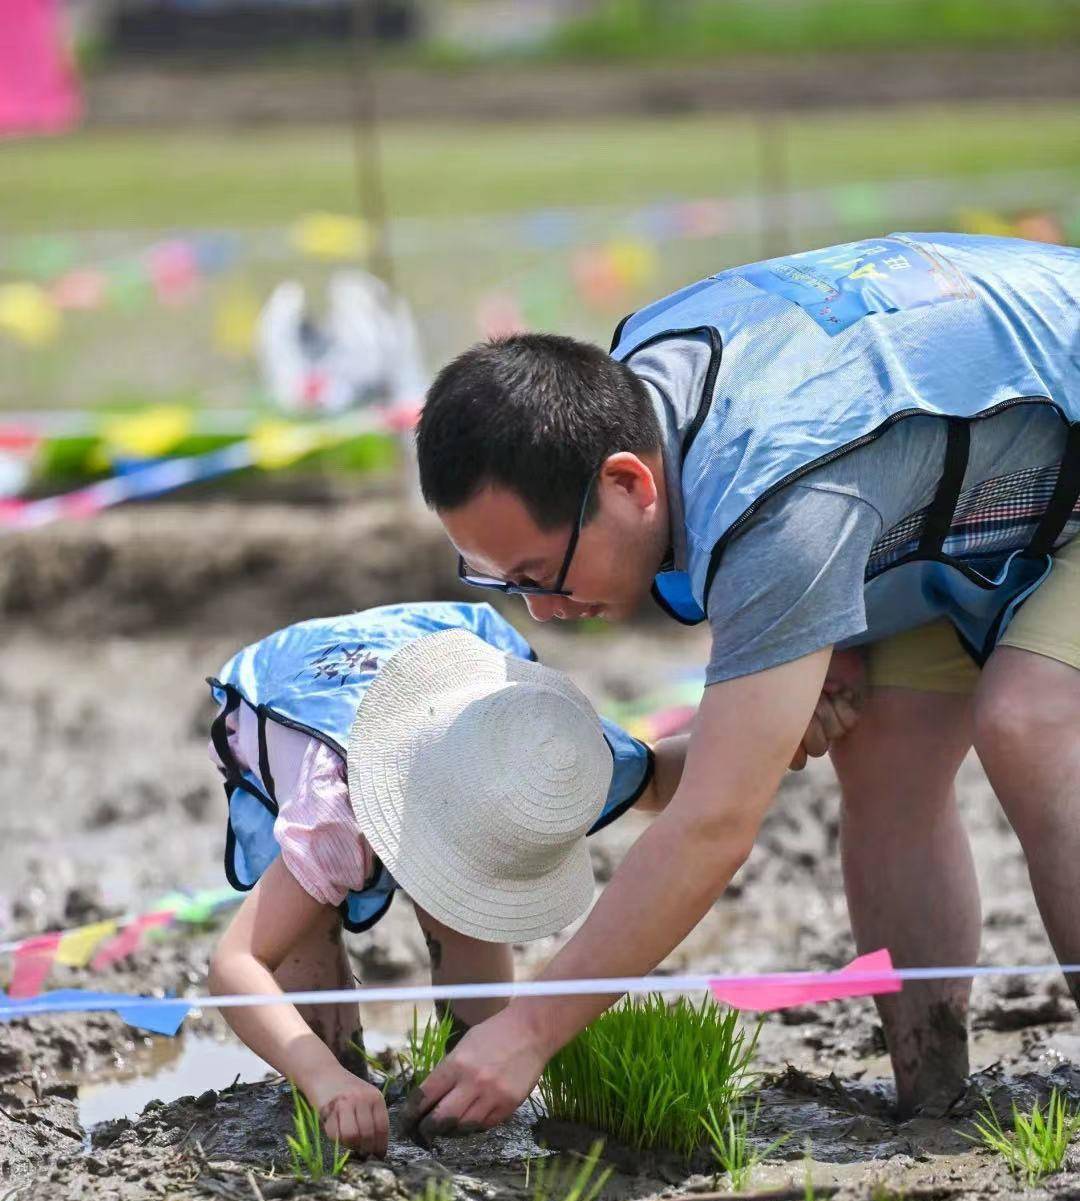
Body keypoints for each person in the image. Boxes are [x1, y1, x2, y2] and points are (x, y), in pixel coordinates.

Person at [411, 230, 1080, 1129]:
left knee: (1029, 718)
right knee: (881, 747)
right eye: (499, 581)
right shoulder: (621, 400)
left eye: (539, 573)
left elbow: (716, 823)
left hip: (1049, 441)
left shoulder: (776, 505)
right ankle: (935, 1093)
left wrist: (529, 1029)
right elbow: (857, 476)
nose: (542, 609)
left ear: (627, 484)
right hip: (967, 474)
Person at [205, 600, 685, 1153]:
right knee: (304, 954)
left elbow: (662, 774)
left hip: (449, 650)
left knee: (468, 914)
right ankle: (338, 1077)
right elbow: (236, 963)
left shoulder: (553, 754)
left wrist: (774, 728)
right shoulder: (336, 817)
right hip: (288, 697)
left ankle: (460, 1093)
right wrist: (325, 1080)